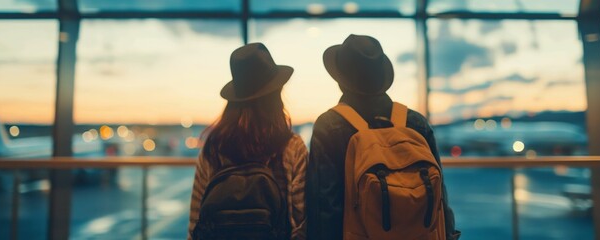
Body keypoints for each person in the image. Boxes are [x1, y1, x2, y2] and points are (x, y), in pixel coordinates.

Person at [305, 34, 460, 239]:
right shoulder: (415, 123)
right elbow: (441, 198)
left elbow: (325, 207)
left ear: (341, 81)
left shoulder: (330, 126)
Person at [188, 43, 307, 240]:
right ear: (276, 95)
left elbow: (196, 221)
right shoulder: (291, 147)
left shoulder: (214, 148)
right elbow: (299, 223)